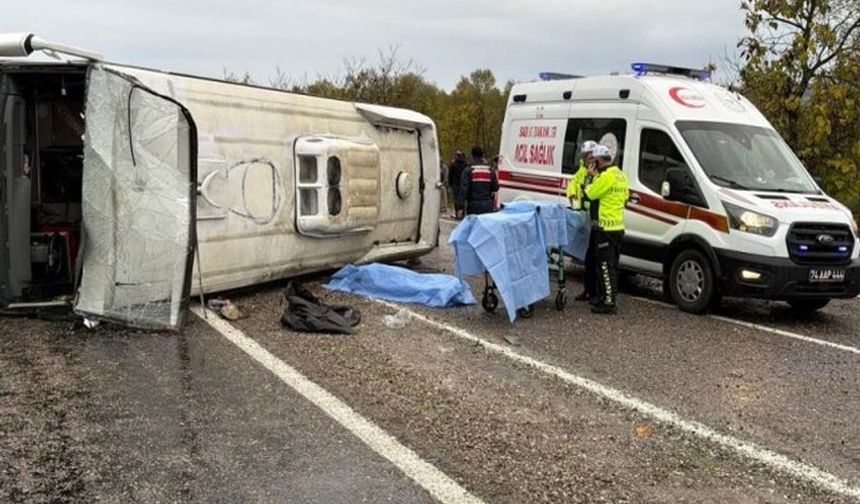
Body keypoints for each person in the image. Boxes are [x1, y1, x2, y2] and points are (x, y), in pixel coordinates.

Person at [582, 144, 629, 314]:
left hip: (605, 228)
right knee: (611, 266)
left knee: (604, 266)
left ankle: (609, 302)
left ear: (599, 160)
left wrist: (590, 177)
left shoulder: (606, 176)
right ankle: (604, 297)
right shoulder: (621, 175)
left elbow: (590, 193)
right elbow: (625, 198)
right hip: (617, 227)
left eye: (594, 160)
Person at [567, 141, 599, 303]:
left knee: (595, 259)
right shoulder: (582, 171)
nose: (588, 159)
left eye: (590, 156)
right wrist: (572, 196)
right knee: (588, 259)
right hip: (584, 217)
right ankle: (588, 291)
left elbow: (594, 193)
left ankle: (595, 293)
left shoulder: (599, 173)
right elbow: (573, 184)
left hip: (596, 219)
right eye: (586, 156)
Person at [457, 146, 498, 217]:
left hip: (473, 205)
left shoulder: (468, 171)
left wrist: (460, 207)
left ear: (472, 156)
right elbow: (496, 187)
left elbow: (463, 190)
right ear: (482, 156)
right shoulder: (490, 170)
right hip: (487, 205)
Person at [447, 150, 467, 218]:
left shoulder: (453, 165)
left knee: (456, 200)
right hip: (464, 184)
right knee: (462, 199)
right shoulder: (465, 165)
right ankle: (462, 213)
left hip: (455, 184)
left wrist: (450, 184)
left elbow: (450, 175)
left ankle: (457, 214)